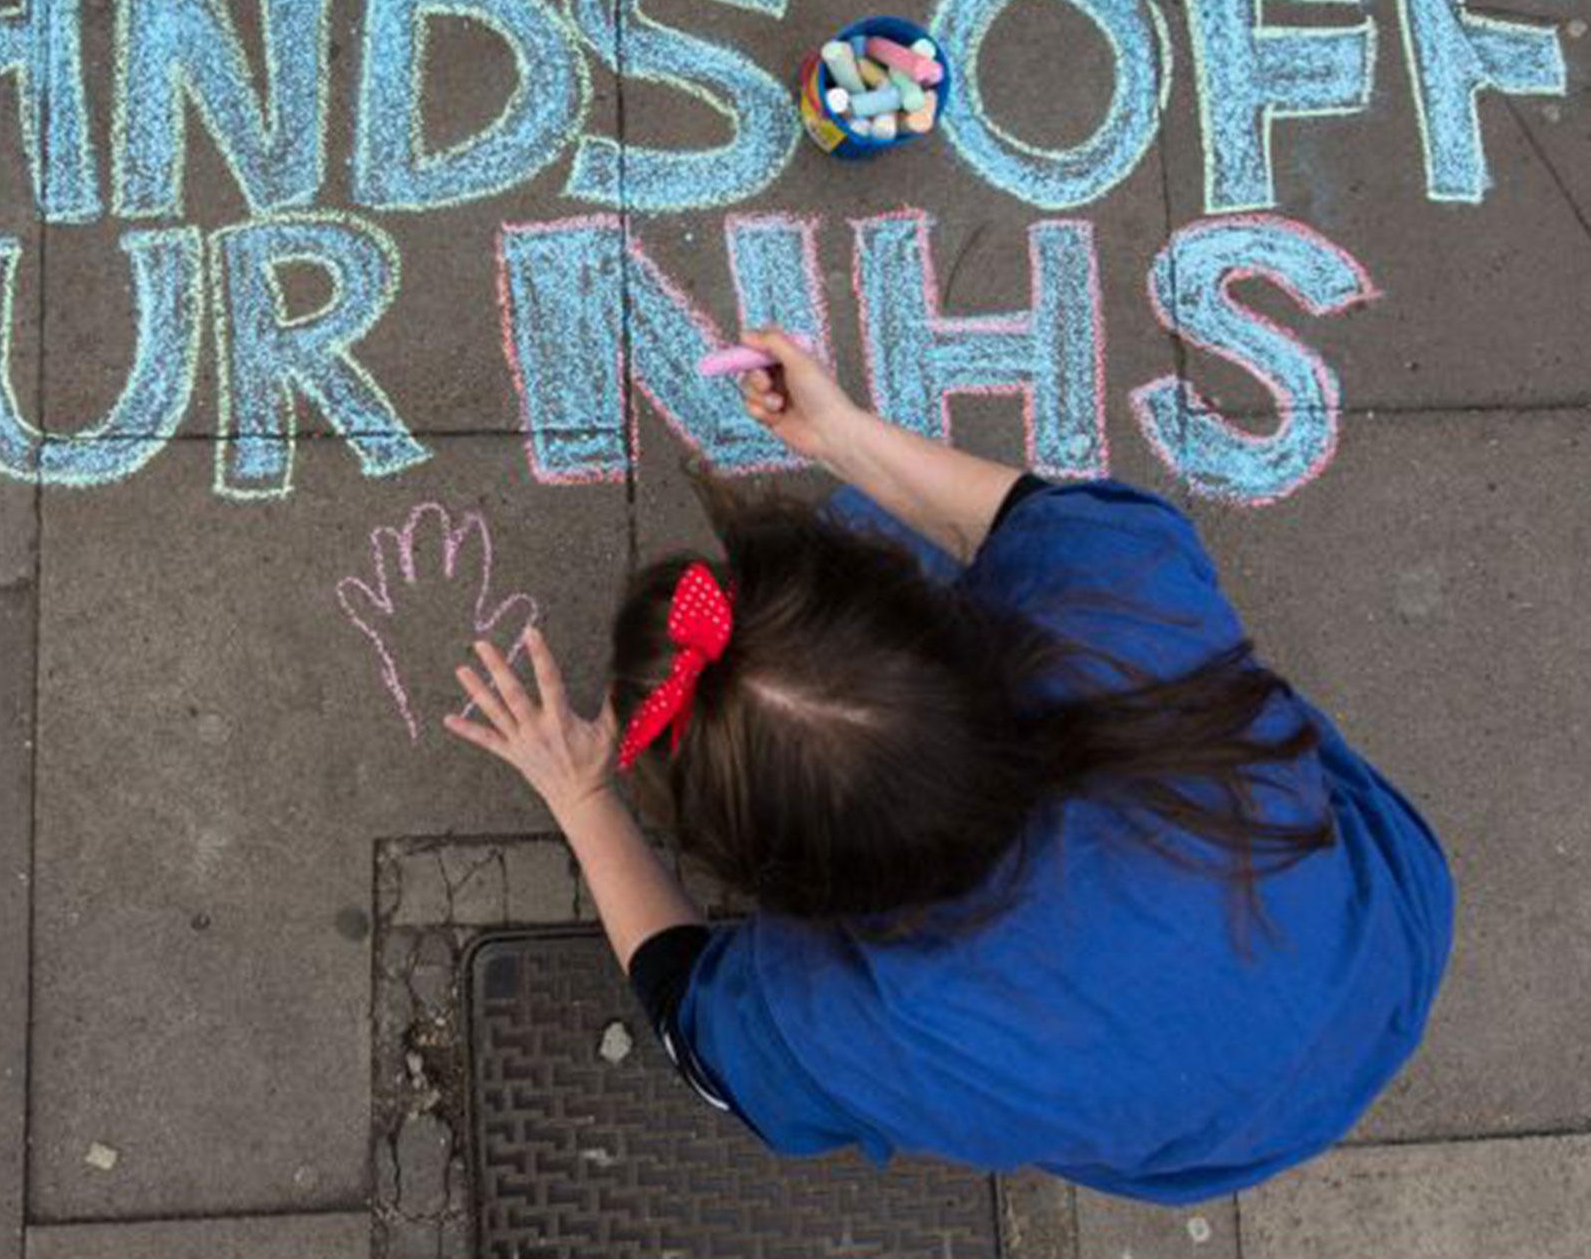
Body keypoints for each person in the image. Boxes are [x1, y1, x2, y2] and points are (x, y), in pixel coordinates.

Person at [445, 328, 1454, 1204]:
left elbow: (692, 1032)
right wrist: (842, 433)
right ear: (946, 635)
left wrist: (581, 793)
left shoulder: (845, 1019)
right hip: (1380, 938)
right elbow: (1019, 518)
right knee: (879, 519)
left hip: (1212, 1136)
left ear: (776, 877)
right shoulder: (1117, 599)